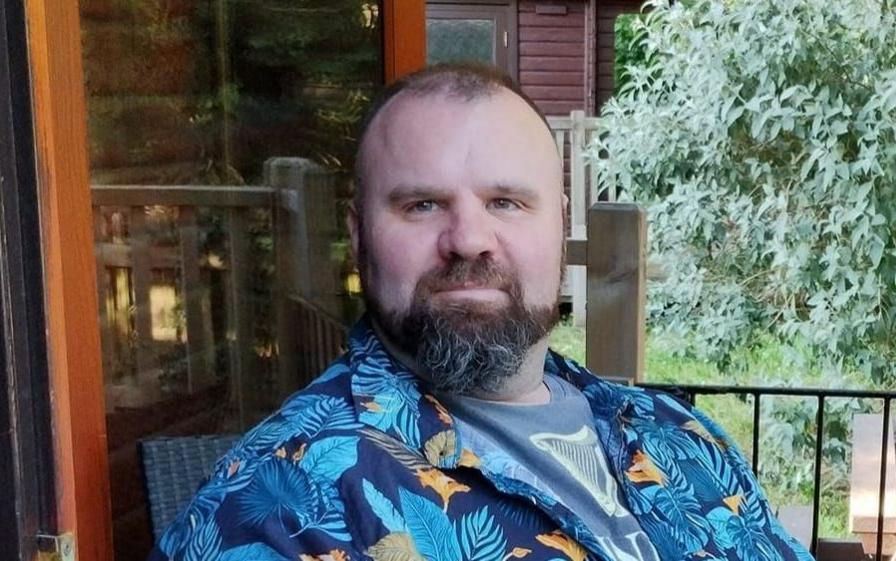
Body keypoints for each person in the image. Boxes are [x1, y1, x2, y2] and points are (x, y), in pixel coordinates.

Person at [149, 64, 813, 561]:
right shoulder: (282, 498)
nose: (468, 238)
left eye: (505, 202)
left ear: (558, 227)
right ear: (357, 239)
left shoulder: (679, 433)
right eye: (421, 205)